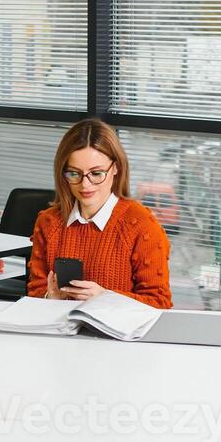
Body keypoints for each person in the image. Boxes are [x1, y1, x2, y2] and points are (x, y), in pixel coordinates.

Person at [26, 118, 173, 308]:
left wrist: (106, 298)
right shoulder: (49, 222)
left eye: (96, 174)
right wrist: (50, 298)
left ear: (116, 168)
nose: (85, 184)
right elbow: (34, 293)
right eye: (74, 173)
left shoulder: (142, 226)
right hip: (61, 332)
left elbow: (160, 304)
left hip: (115, 336)